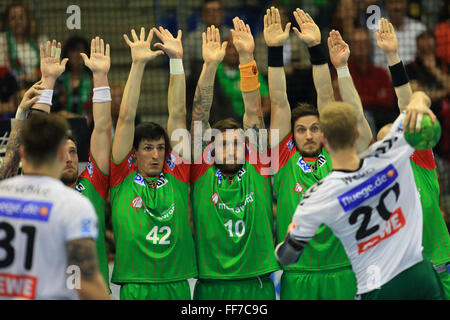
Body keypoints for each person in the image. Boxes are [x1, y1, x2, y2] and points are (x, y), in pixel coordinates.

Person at [276, 91, 446, 300]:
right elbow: (419, 98)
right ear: (357, 135)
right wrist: (419, 101)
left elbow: (288, 256)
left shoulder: (317, 196)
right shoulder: (390, 150)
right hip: (418, 276)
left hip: (376, 286)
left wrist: (282, 246)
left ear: (324, 140)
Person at [265, 7, 372, 300]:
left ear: (324, 133)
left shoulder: (335, 151)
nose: (309, 135)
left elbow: (326, 96)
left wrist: (315, 47)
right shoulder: (283, 156)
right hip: (298, 275)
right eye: (301, 130)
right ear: (292, 134)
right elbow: (278, 100)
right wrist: (274, 50)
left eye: (315, 128)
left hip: (342, 269)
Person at [0, 38, 112, 291]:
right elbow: (37, 137)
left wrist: (100, 77)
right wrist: (47, 83)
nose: (70, 157)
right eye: (63, 151)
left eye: (74, 151)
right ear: (55, 156)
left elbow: (103, 128)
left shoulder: (91, 183)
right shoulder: (65, 202)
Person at [190, 20, 279, 300]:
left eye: (236, 143)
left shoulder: (258, 168)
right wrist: (210, 65)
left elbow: (254, 111)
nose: (229, 149)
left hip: (257, 284)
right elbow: (199, 115)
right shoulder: (202, 171)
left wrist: (246, 57)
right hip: (211, 286)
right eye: (223, 143)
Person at [110, 26, 197, 300]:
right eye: (148, 148)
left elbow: (178, 114)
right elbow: (125, 118)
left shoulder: (177, 173)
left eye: (160, 148)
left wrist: (176, 61)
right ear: (134, 154)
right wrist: (137, 64)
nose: (156, 154)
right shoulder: (121, 175)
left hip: (177, 284)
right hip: (136, 286)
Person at [375, 17, 450, 298]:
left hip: (442, 269)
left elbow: (409, 110)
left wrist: (393, 56)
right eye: (384, 142)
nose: (391, 144)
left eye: (394, 139)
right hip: (403, 277)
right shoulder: (376, 182)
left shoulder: (418, 158)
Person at [0, 113, 109, 300]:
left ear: (23, 153)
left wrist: (22, 113)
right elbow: (87, 282)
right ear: (60, 154)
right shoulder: (72, 204)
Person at [332, 27, 395, 133]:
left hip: (380, 121)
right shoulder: (341, 71)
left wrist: (356, 98)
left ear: (370, 46)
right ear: (350, 46)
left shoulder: (381, 73)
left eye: (364, 42)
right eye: (357, 43)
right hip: (350, 122)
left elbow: (388, 101)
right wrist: (376, 98)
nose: (361, 46)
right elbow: (340, 102)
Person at [0, 3, 46, 87]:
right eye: (13, 18)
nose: (17, 22)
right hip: (12, 91)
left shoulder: (40, 41)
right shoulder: (2, 41)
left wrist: (36, 75)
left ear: (28, 20)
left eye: (21, 17)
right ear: (7, 21)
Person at [371, 0, 426, 68]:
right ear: (386, 5)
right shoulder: (375, 30)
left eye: (400, 2)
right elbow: (376, 63)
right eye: (392, 2)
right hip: (385, 76)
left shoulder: (419, 29)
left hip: (414, 76)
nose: (397, 7)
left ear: (406, 4)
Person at [184, 0, 231, 77]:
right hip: (202, 81)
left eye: (217, 10)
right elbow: (186, 71)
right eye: (209, 11)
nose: (214, 14)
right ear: (203, 15)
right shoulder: (192, 39)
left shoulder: (231, 35)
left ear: (222, 13)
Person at [53, 36, 93, 122]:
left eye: (80, 50)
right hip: (62, 125)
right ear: (67, 54)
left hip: (88, 127)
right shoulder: (59, 80)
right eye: (73, 50)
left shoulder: (93, 80)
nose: (77, 54)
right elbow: (54, 109)